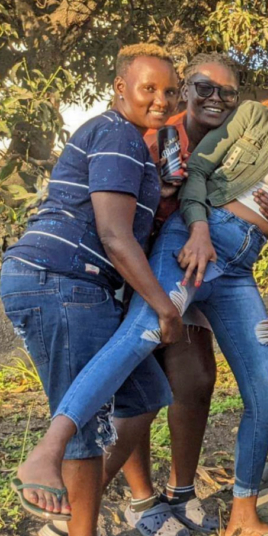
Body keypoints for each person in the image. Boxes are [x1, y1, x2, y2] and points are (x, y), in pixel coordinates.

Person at [13, 49, 268, 536]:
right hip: (194, 247)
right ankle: (51, 451)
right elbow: (199, 177)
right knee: (139, 341)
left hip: (237, 267)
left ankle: (241, 514)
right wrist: (198, 230)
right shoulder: (249, 119)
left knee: (265, 392)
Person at [3, 44, 180, 536]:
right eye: (149, 88)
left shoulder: (128, 142)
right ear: (120, 88)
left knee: (146, 393)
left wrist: (159, 191)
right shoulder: (117, 135)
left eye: (169, 91)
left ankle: (76, 504)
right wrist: (163, 308)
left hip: (63, 279)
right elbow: (115, 236)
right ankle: (70, 509)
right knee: (84, 423)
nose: (161, 100)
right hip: (61, 279)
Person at [112, 52, 242, 536]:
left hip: (193, 279)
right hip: (141, 275)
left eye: (225, 93)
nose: (213, 99)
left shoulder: (237, 146)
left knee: (194, 380)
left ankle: (181, 491)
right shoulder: (156, 137)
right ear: (186, 90)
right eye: (203, 88)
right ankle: (142, 500)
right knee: (139, 386)